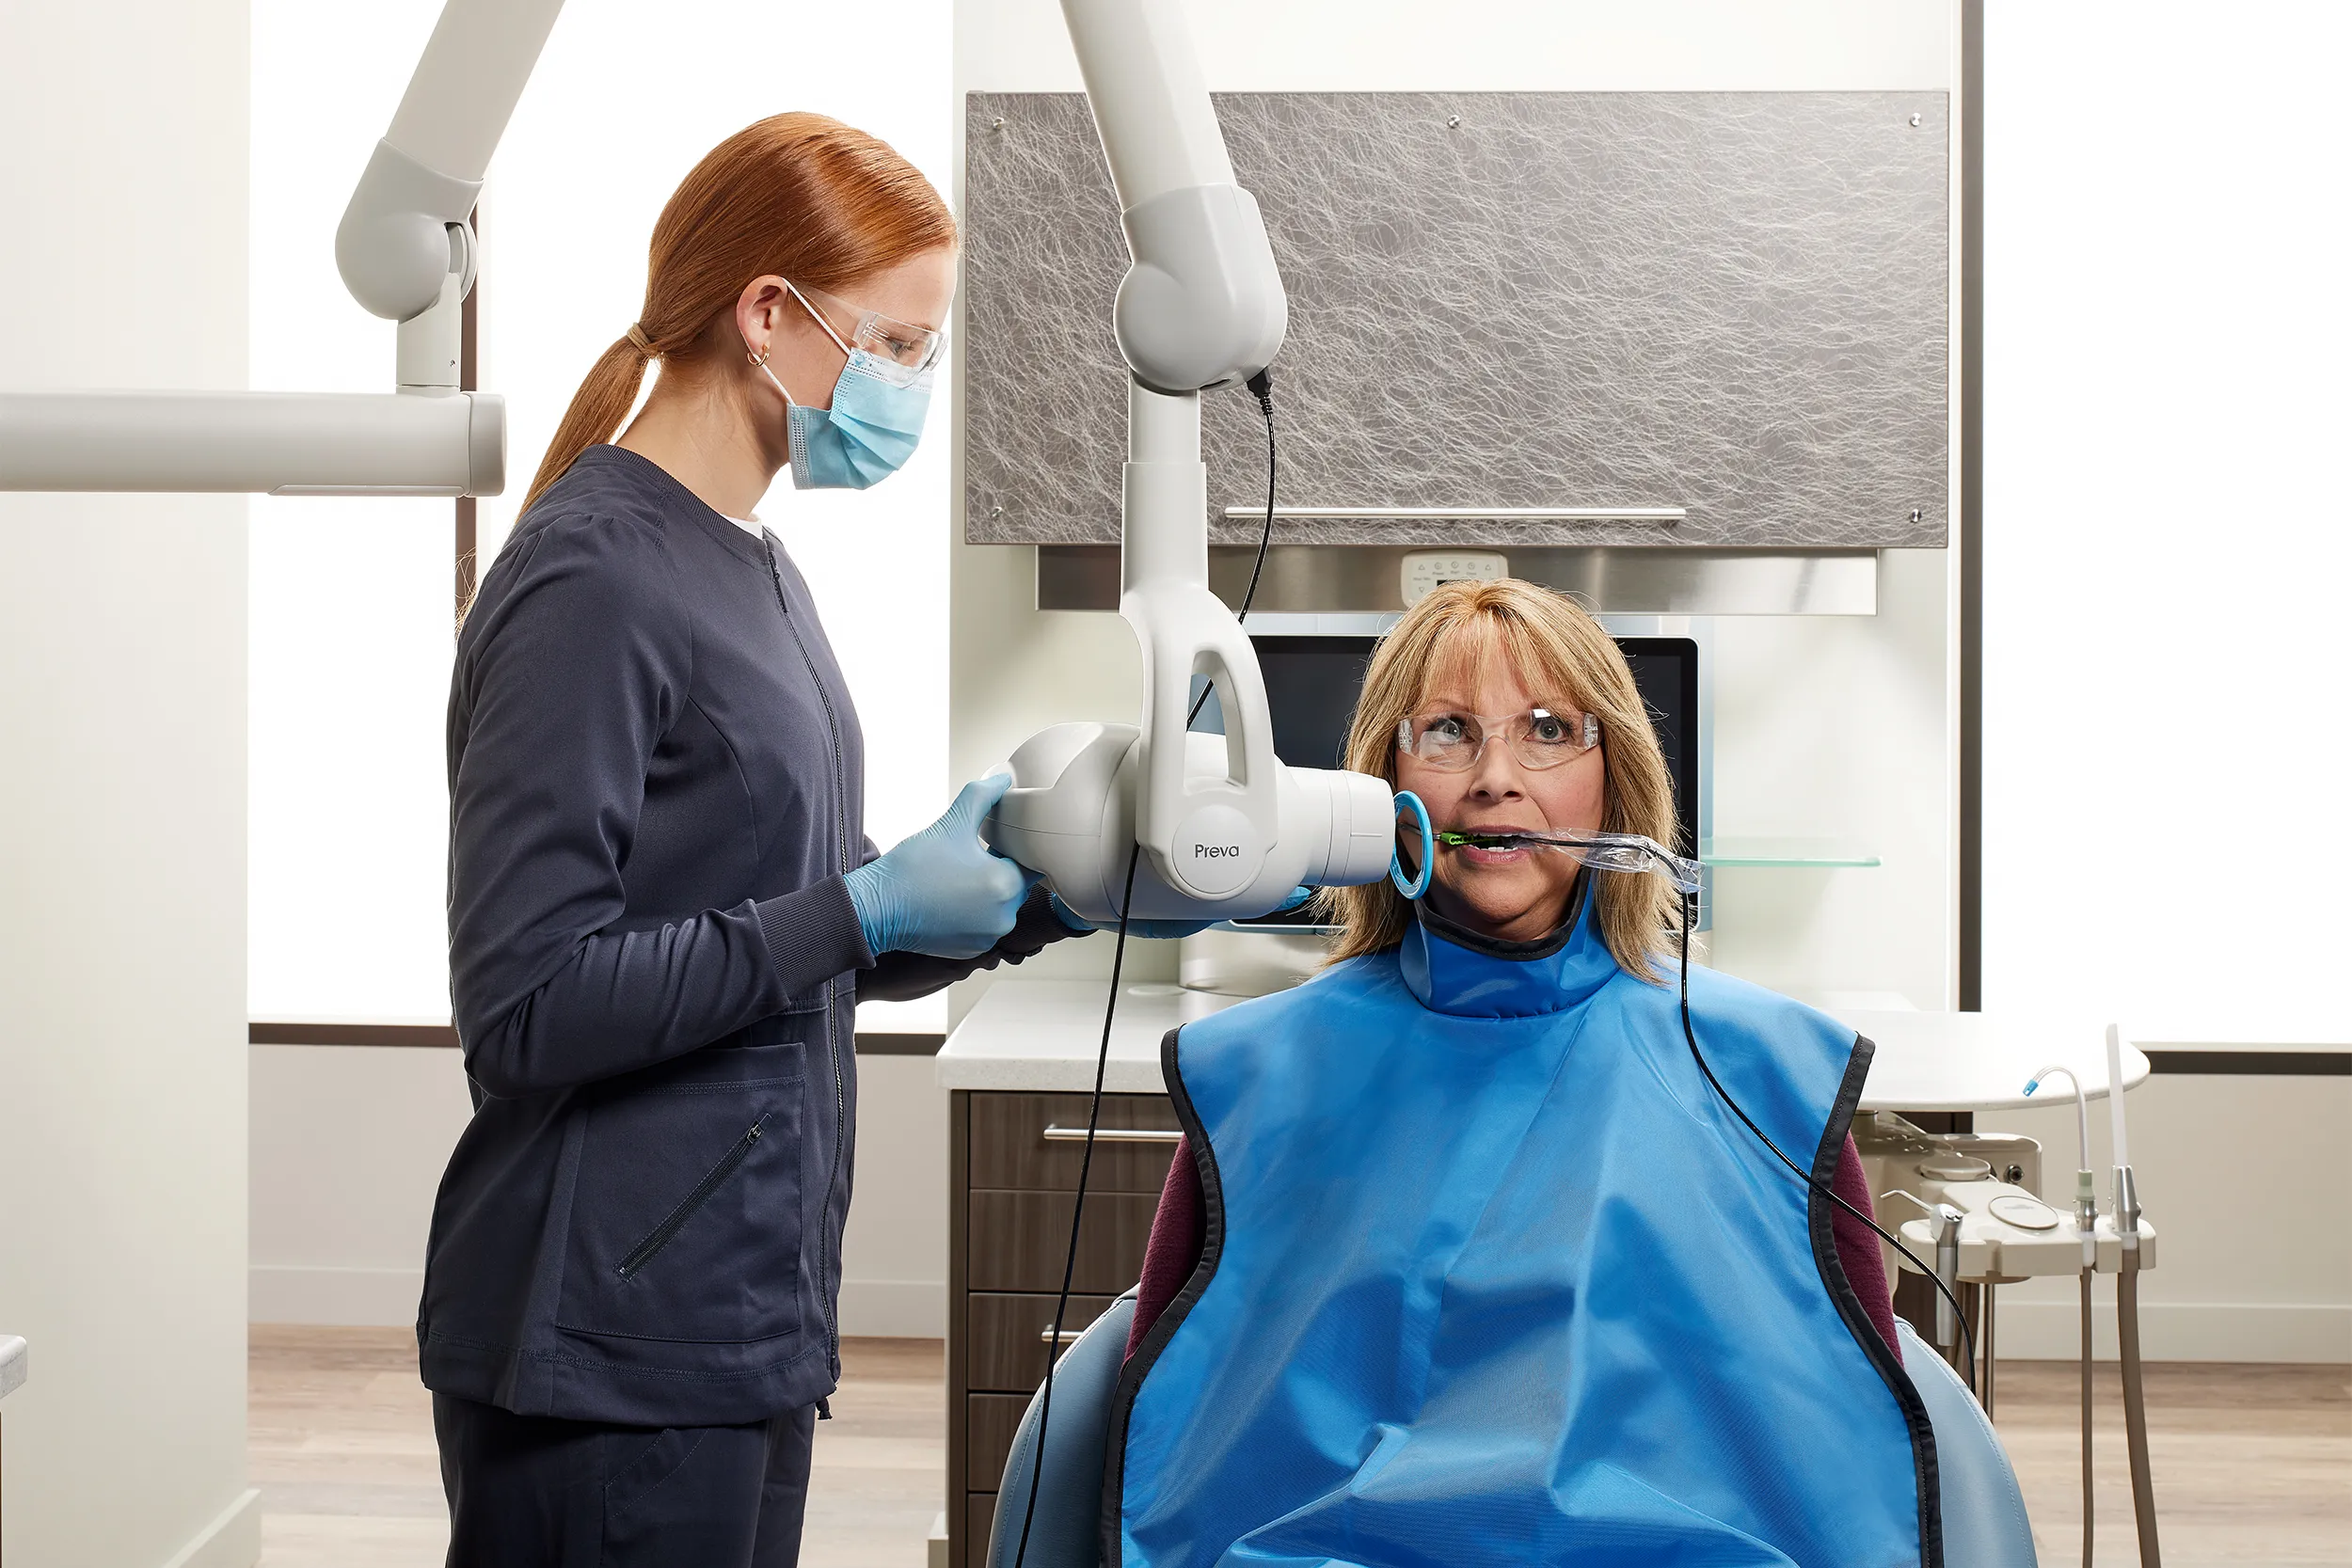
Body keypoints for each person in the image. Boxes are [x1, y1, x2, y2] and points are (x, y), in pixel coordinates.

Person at [425, 114, 1075, 1567]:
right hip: (605, 1335)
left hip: (735, 1311)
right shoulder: (592, 575)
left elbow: (786, 934)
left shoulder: (752, 564)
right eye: (897, 343)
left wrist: (1027, 899)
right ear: (768, 314)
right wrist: (864, 904)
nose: (913, 384)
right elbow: (527, 1005)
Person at [1108, 578, 1934, 1567]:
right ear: (1381, 786)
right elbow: (1170, 1438)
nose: (1496, 774)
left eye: (1547, 728)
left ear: (1615, 780)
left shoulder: (1769, 1077)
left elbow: (1839, 1455)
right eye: (1449, 729)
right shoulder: (1254, 1075)